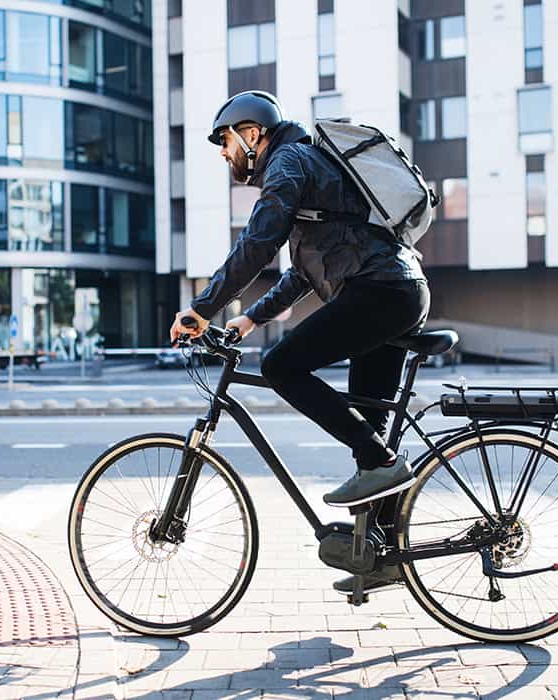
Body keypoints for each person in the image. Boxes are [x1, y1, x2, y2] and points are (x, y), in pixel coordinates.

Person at [168, 91, 430, 592]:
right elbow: (302, 272)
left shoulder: (287, 162)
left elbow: (258, 242)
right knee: (368, 430)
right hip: (394, 290)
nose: (224, 153)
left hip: (380, 292)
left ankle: (382, 465)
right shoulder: (308, 165)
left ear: (252, 133)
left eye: (225, 141)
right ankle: (382, 558)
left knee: (281, 367)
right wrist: (247, 320)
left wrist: (202, 307)